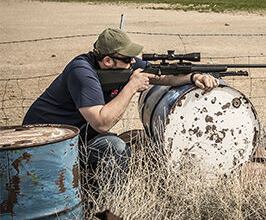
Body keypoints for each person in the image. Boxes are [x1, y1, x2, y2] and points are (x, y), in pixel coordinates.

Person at [22, 28, 219, 195]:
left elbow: (160, 75)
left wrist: (193, 77)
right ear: (108, 61)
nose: (133, 62)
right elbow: (102, 123)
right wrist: (131, 87)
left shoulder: (120, 65)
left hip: (76, 139)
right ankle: (107, 208)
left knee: (141, 140)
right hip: (45, 147)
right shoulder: (82, 72)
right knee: (115, 146)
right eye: (127, 59)